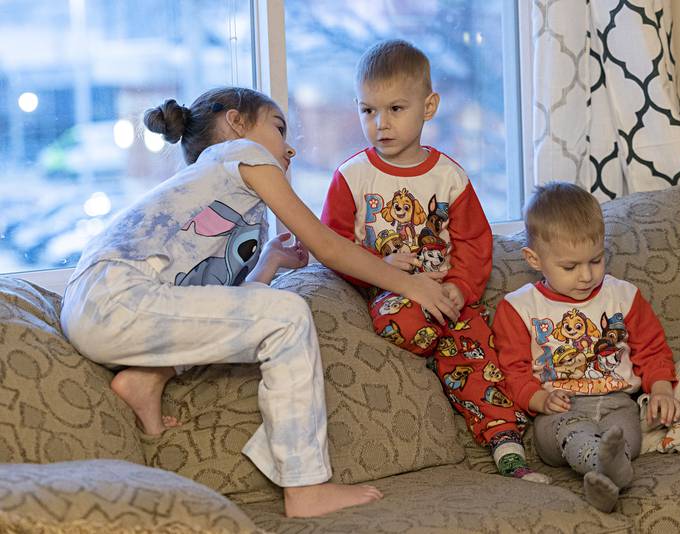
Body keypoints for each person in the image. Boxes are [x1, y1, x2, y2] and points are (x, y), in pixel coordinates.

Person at [59, 86, 461, 518]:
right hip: (116, 293)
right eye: (278, 127)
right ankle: (306, 486)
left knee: (259, 312)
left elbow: (224, 311)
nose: (288, 149)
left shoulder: (209, 195)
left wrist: (268, 262)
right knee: (287, 317)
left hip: (98, 305)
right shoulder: (241, 155)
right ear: (236, 123)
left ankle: (144, 380)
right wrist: (409, 284)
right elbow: (326, 244)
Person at [321, 39, 548, 484]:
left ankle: (505, 441)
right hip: (389, 294)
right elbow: (332, 242)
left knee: (481, 349)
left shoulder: (449, 176)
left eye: (395, 109)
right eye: (368, 111)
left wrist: (459, 289)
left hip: (448, 296)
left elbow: (475, 243)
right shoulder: (351, 176)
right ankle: (440, 353)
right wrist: (381, 263)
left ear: (429, 107)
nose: (380, 123)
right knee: (405, 321)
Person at [493, 182, 680, 512]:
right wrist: (540, 399)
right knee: (572, 433)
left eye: (596, 260)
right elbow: (512, 371)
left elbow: (653, 350)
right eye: (570, 267)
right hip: (559, 410)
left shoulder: (624, 297)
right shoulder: (520, 308)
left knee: (625, 438)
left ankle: (606, 480)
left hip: (616, 402)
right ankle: (605, 465)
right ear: (533, 259)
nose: (586, 276)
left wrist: (663, 390)